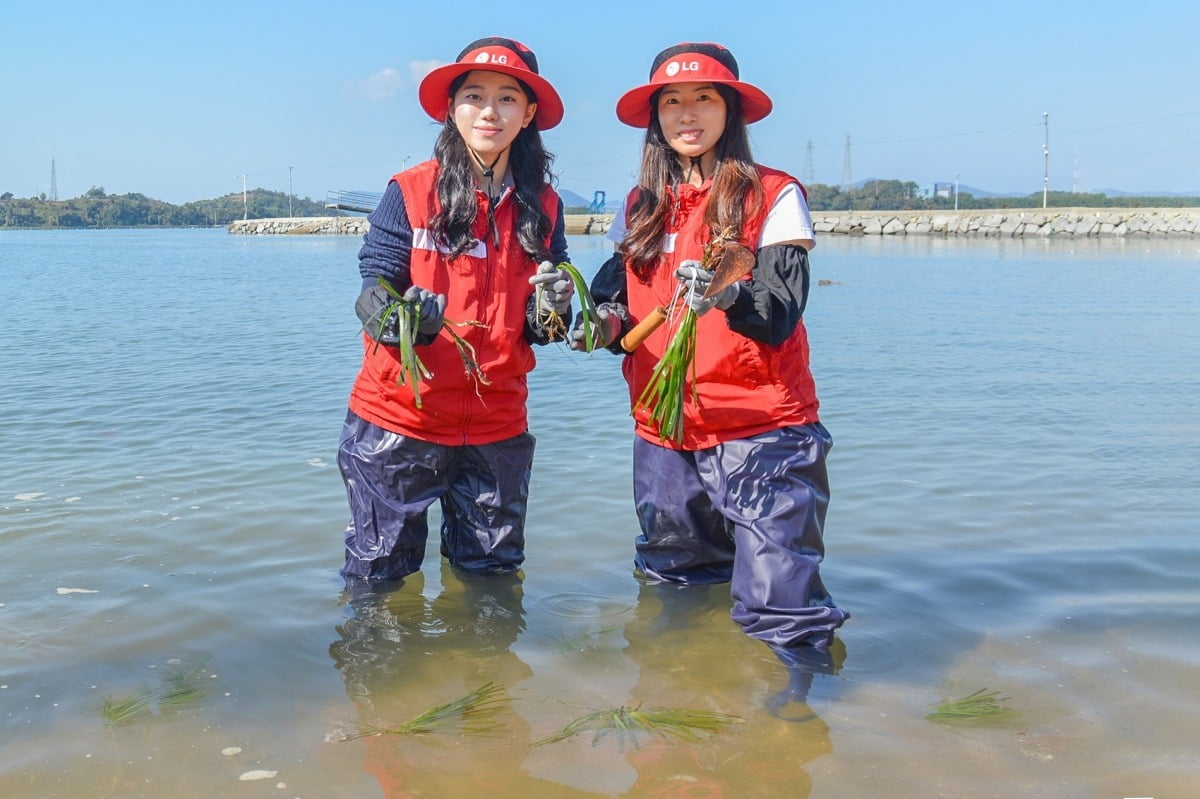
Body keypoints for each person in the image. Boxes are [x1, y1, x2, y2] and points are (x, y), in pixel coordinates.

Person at [571, 42, 849, 655]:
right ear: (655, 117)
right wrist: (584, 321)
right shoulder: (641, 207)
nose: (687, 114)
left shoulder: (773, 195)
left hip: (762, 432)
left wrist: (724, 297)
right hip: (663, 430)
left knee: (783, 606)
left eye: (704, 99)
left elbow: (778, 313)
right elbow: (611, 308)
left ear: (731, 111)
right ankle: (687, 703)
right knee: (674, 587)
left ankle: (791, 725)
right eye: (672, 102)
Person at [338, 37, 576, 585]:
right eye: (474, 95)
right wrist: (398, 319)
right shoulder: (410, 191)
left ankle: (482, 670)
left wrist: (555, 309)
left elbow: (545, 309)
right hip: (400, 417)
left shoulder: (544, 205)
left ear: (529, 113)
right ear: (451, 107)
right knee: (379, 578)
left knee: (491, 578)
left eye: (507, 98)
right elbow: (374, 277)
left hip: (498, 422)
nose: (489, 111)